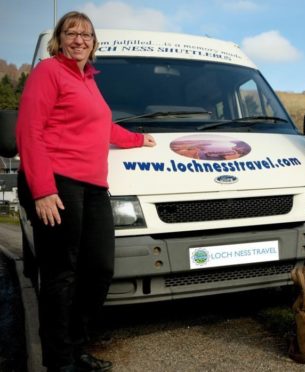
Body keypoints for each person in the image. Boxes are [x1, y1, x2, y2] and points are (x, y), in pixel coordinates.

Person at [16, 11, 156, 372]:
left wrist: (139, 140)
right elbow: (29, 131)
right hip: (58, 183)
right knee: (61, 274)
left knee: (98, 269)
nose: (79, 39)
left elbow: (103, 126)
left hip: (94, 186)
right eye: (71, 32)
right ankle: (59, 360)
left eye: (86, 34)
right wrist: (43, 190)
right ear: (60, 40)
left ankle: (75, 346)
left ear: (94, 43)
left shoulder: (88, 79)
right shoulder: (49, 72)